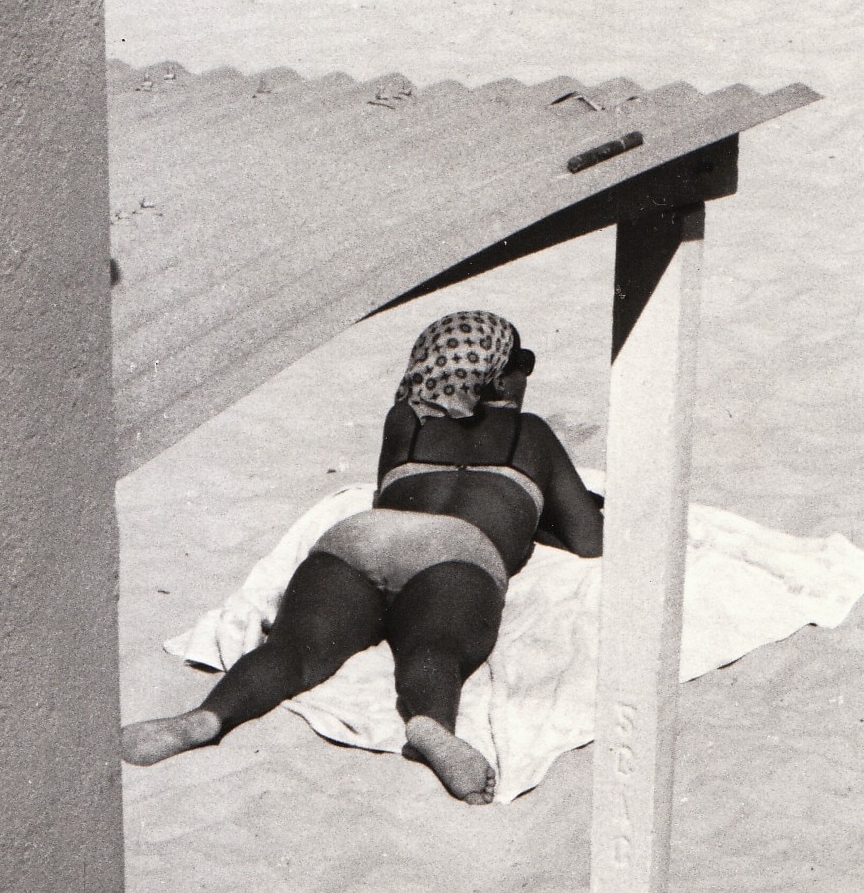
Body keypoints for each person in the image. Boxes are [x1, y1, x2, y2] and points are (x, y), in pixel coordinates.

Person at [121, 309, 604, 804]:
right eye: (523, 363)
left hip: (360, 538)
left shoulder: (404, 421)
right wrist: (530, 513)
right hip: (456, 548)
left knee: (293, 648)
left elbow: (390, 492)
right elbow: (590, 539)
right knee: (434, 648)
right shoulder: (531, 434)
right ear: (499, 377)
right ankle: (429, 725)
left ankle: (205, 718)